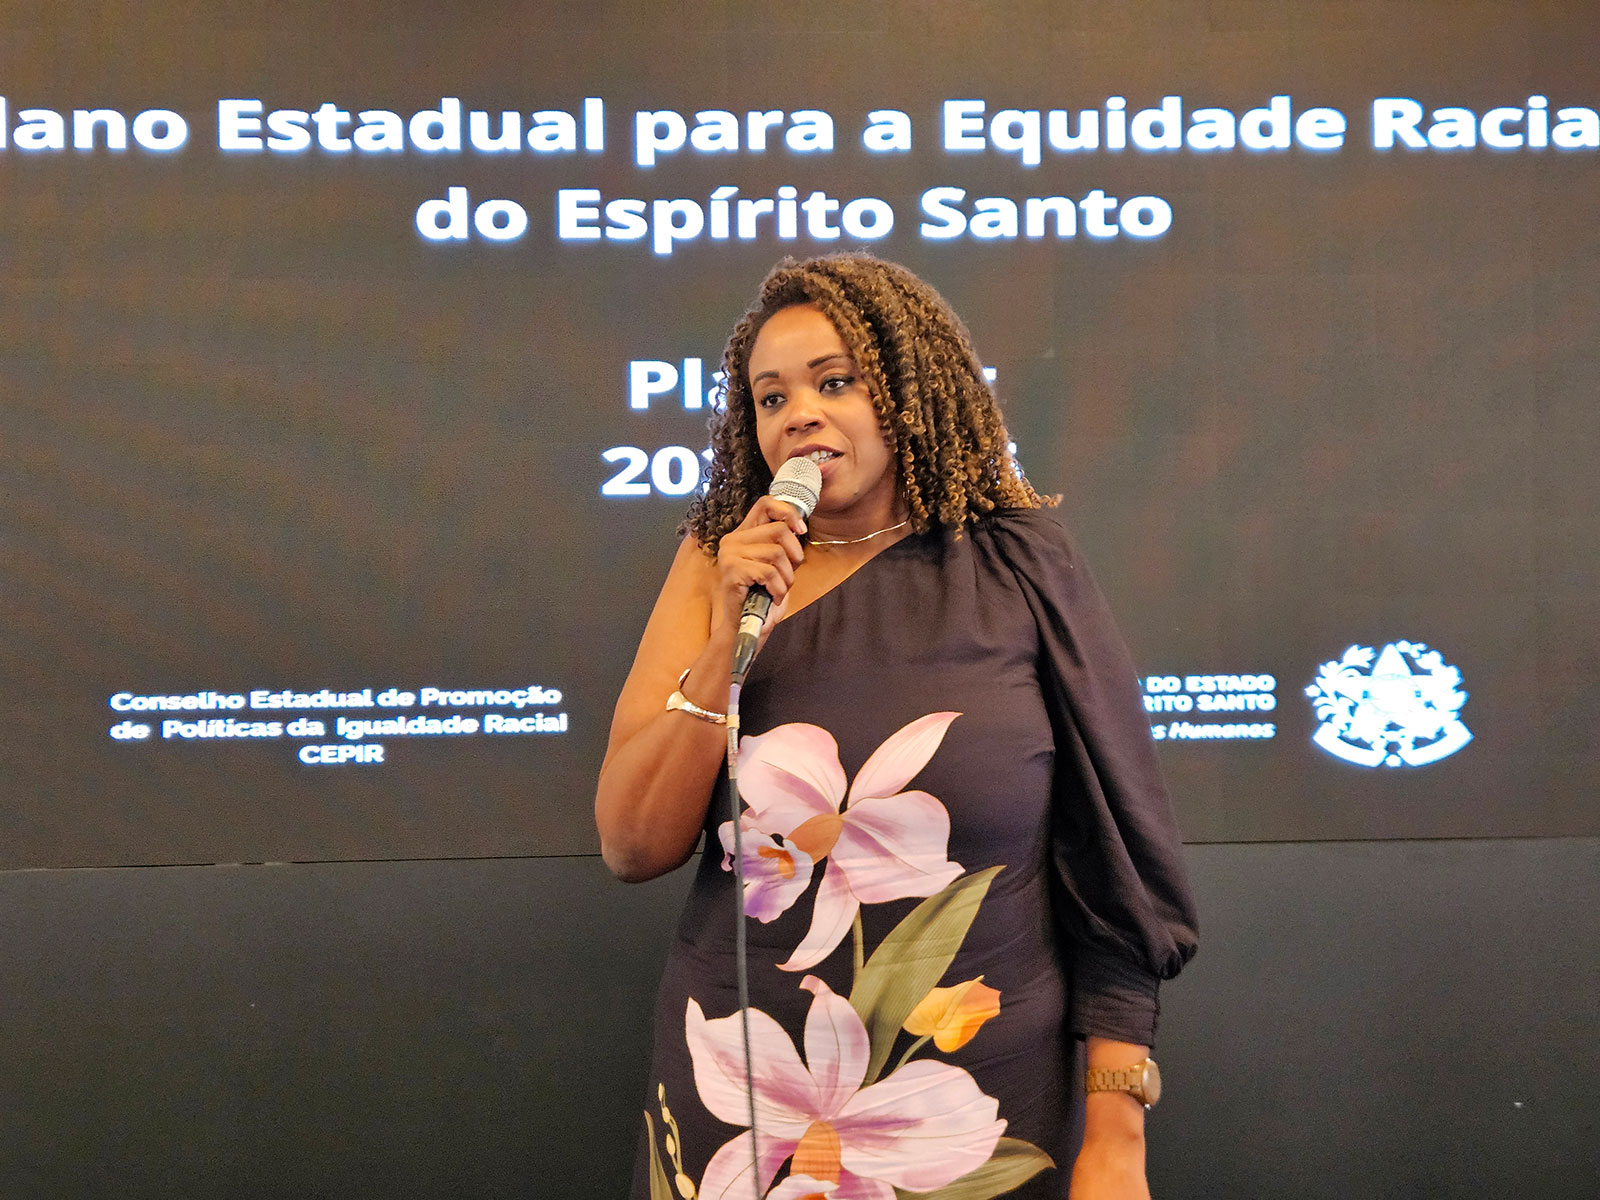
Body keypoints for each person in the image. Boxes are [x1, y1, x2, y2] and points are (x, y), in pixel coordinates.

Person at [596, 254, 1198, 1200]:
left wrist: (1117, 1134)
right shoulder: (717, 564)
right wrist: (725, 645)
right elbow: (633, 843)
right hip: (748, 1102)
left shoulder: (1018, 565)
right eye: (771, 397)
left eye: (835, 382)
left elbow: (1112, 856)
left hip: (971, 1107)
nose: (799, 414)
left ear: (909, 397)